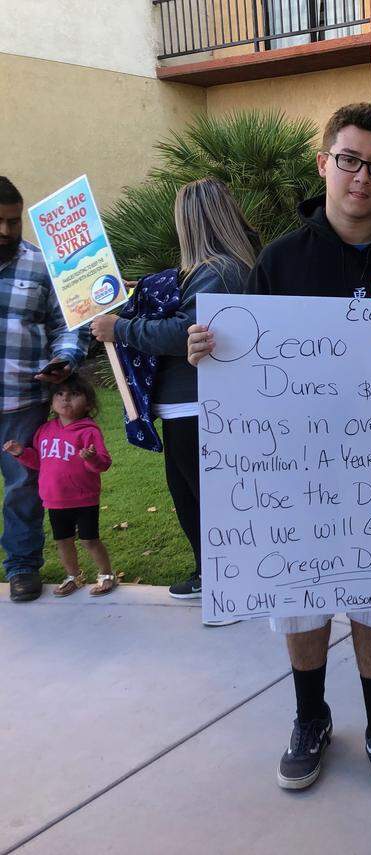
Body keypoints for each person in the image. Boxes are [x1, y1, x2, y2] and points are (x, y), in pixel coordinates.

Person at [186, 103, 371, 804]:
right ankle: (309, 717)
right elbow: (248, 364)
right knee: (298, 599)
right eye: (350, 159)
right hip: (293, 470)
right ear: (325, 162)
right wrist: (208, 352)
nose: (362, 177)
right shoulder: (280, 260)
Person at [90, 178, 259, 605]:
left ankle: (224, 579)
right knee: (189, 493)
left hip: (198, 406)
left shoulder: (219, 270)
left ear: (191, 222)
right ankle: (213, 574)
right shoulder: (219, 269)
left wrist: (120, 328)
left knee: (202, 498)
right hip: (191, 404)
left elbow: (183, 330)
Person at [0, 176, 91, 603]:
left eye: (13, 222)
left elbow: (67, 324)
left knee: (22, 490)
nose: (6, 231)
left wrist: (65, 361)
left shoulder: (41, 265)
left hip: (23, 403)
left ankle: (22, 568)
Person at [4, 375, 115, 595]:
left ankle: (106, 575)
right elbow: (39, 461)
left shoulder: (88, 431)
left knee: (89, 540)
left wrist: (91, 458)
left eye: (74, 394)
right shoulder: (44, 430)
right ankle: (73, 576)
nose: (65, 399)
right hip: (54, 499)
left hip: (84, 498)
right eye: (59, 394)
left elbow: (103, 464)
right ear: (52, 401)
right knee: (63, 541)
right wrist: (21, 454)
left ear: (89, 403)